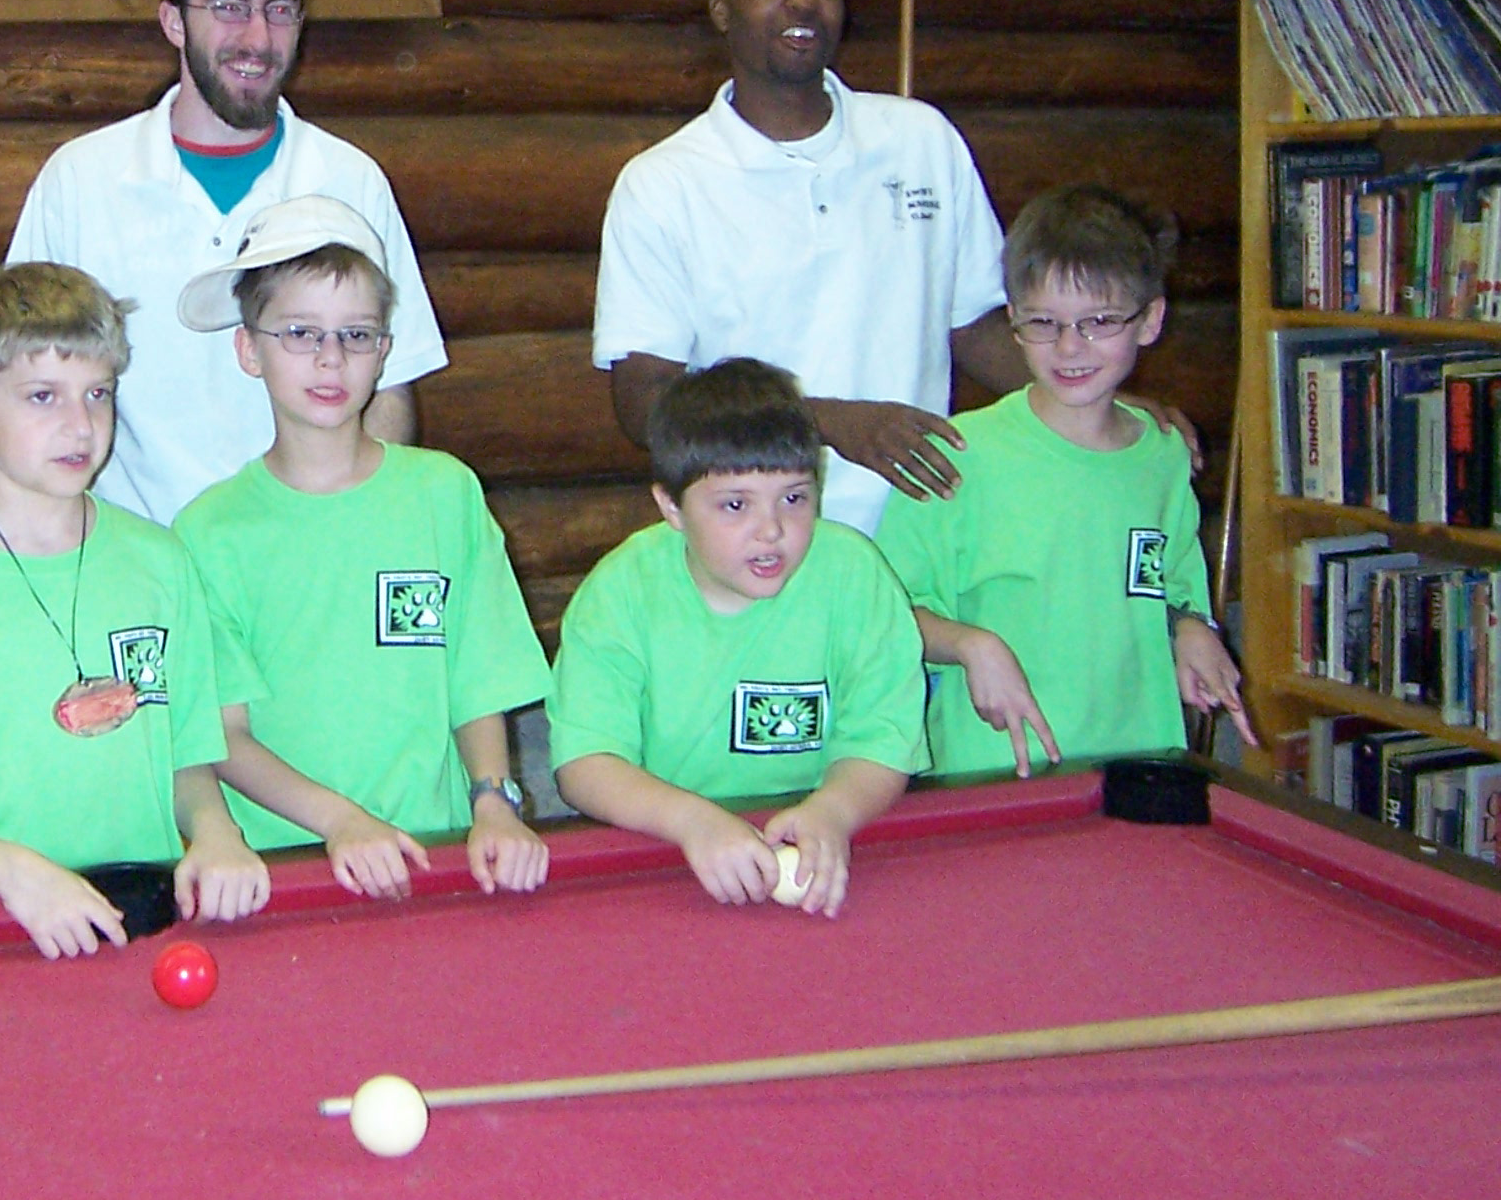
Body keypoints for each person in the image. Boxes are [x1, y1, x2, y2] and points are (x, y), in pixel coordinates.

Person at [0, 262, 269, 958]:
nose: (80, 426)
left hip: (139, 917)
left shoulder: (160, 561)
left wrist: (216, 831)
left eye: (98, 394)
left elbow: (188, 751)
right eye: (43, 396)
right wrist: (15, 873)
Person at [593, 0, 1021, 537]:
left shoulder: (920, 140)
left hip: (922, 529)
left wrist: (1098, 404)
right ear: (722, 12)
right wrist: (828, 420)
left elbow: (976, 327)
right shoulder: (663, 183)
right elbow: (645, 404)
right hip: (761, 545)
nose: (802, 0)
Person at [171, 197, 553, 900]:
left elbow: (477, 675)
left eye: (355, 334)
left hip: (436, 856)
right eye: (299, 333)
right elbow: (224, 734)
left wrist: (494, 800)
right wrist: (341, 822)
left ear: (384, 350)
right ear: (249, 349)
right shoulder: (208, 531)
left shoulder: (444, 493)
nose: (330, 358)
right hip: (282, 873)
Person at [7, 0, 446, 524]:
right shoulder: (81, 180)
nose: (259, 37)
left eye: (280, 10)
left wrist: (341, 533)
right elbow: (22, 377)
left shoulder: (350, 181)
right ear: (173, 22)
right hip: (130, 549)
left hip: (300, 547)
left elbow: (391, 390)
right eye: (230, 8)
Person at [875, 185, 1255, 778]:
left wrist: (1192, 630)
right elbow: (885, 618)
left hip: (1136, 767)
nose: (1070, 347)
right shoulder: (955, 457)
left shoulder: (1163, 457)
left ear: (1150, 320)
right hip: (994, 774)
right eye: (1044, 323)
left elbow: (1170, 594)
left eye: (1099, 322)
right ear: (1013, 322)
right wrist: (973, 645)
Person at [546, 358, 927, 918]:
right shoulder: (620, 591)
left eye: (794, 498)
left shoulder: (855, 572)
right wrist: (693, 822)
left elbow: (882, 740)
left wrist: (833, 813)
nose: (771, 530)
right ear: (672, 507)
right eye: (735, 504)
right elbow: (586, 763)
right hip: (666, 854)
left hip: (826, 844)